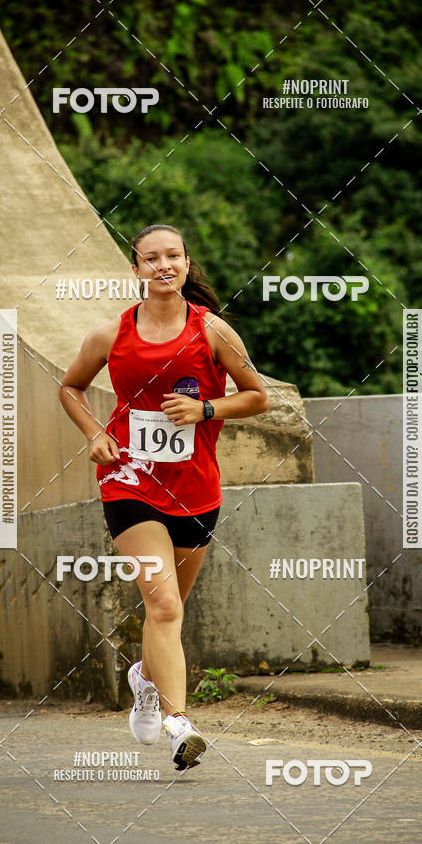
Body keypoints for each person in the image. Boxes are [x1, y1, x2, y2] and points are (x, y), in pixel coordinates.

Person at [59, 223, 268, 770]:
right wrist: (94, 433)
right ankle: (181, 725)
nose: (162, 265)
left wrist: (205, 410)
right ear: (137, 270)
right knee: (164, 603)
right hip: (129, 483)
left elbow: (257, 397)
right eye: (150, 258)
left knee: (168, 612)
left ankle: (144, 679)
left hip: (196, 490)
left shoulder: (213, 332)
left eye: (171, 256)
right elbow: (70, 386)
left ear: (185, 262)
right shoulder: (111, 335)